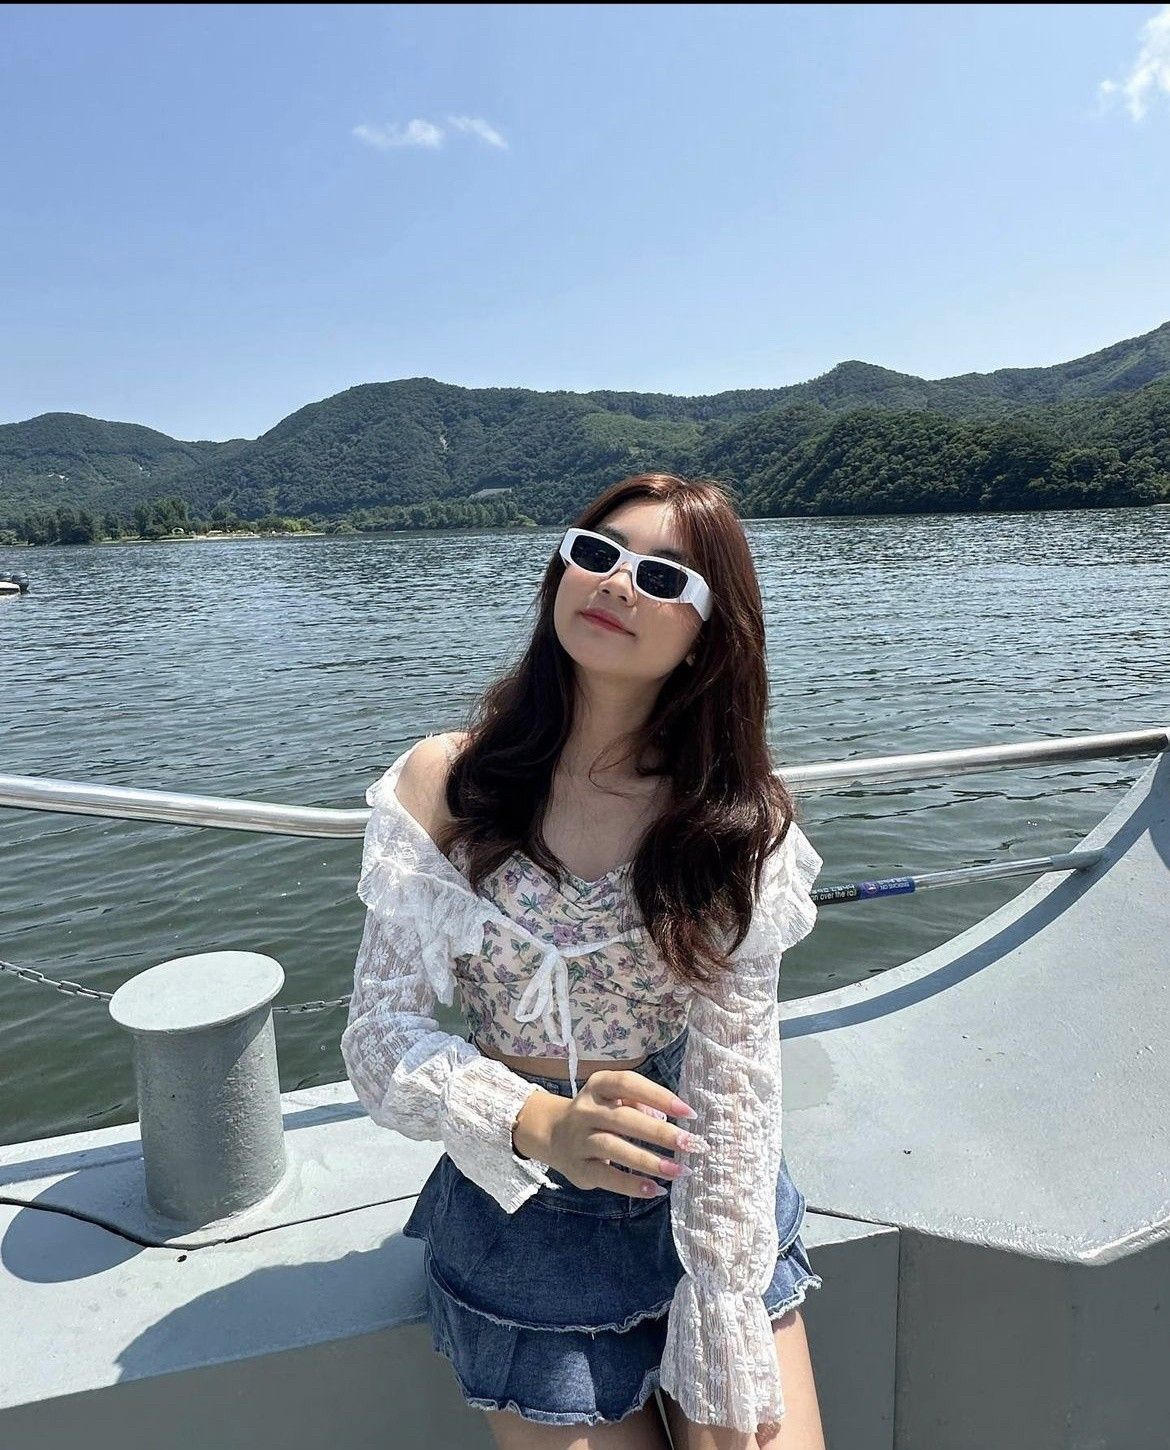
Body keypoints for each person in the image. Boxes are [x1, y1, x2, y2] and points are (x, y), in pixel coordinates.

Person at [341, 472, 827, 1450]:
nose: (616, 583)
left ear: (711, 634)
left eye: (663, 577)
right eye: (598, 554)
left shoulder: (734, 819)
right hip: (523, 1212)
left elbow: (736, 1072)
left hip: (702, 1179)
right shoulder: (450, 781)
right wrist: (541, 1122)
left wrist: (723, 1294)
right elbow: (378, 1036)